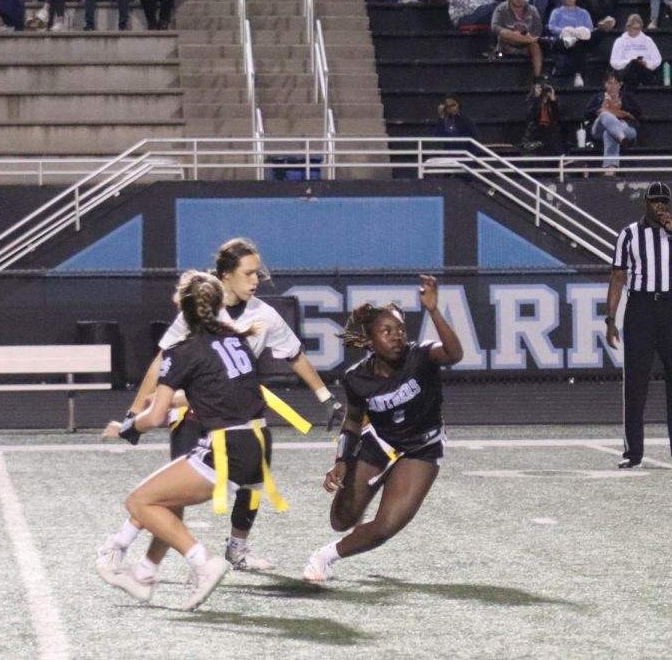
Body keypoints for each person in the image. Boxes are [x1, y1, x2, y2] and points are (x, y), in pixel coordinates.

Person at [97, 238, 334, 583]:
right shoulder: (202, 315)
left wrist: (326, 397)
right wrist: (136, 412)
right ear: (225, 275)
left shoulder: (262, 316)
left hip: (231, 411)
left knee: (242, 485)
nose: (256, 280)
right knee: (169, 494)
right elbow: (164, 362)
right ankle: (144, 561)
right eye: (249, 273)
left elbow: (293, 356)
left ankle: (219, 553)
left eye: (258, 273)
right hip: (196, 412)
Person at [97, 271, 277, 611]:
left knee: (139, 502)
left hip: (228, 445)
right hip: (259, 441)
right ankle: (143, 573)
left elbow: (153, 419)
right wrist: (174, 401)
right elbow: (217, 393)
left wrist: (126, 427)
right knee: (162, 498)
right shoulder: (234, 340)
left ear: (181, 307)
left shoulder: (181, 352)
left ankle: (202, 560)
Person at [303, 276, 464, 583]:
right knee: (341, 519)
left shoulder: (421, 356)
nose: (396, 337)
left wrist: (433, 311)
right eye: (386, 331)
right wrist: (341, 461)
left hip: (420, 449)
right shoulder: (357, 378)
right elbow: (352, 421)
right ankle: (359, 517)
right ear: (370, 339)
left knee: (387, 525)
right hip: (379, 445)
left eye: (400, 329)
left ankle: (324, 557)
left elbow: (455, 354)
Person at [605, 181, 672, 468]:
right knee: (635, 382)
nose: (660, 206)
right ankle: (633, 453)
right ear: (645, 204)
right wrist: (610, 319)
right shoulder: (629, 235)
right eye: (655, 201)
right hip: (640, 308)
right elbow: (617, 278)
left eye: (664, 201)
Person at [548, 0, 614, 84]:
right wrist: (567, 30)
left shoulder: (583, 12)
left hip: (581, 38)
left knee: (597, 33)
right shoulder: (557, 12)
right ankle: (578, 74)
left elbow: (589, 28)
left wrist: (578, 32)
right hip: (564, 40)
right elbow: (552, 27)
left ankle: (578, 74)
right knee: (575, 44)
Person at [583, 70, 642, 173]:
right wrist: (601, 107)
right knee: (605, 114)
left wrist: (622, 107)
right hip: (599, 128)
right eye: (609, 83)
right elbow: (586, 113)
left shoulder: (627, 96)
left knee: (609, 133)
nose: (613, 86)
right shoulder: (598, 97)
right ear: (605, 84)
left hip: (625, 127)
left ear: (620, 85)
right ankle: (621, 138)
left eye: (616, 83)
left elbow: (638, 112)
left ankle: (610, 168)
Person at [491, 0, 546, 77]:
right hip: (508, 43)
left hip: (526, 44)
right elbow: (495, 27)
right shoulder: (501, 8)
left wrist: (527, 36)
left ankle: (537, 77)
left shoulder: (532, 10)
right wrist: (514, 35)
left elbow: (538, 29)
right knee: (505, 34)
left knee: (535, 45)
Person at [609, 13, 662, 90]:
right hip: (625, 72)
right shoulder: (620, 41)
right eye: (635, 28)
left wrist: (646, 63)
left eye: (639, 28)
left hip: (644, 71)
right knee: (633, 64)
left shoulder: (648, 41)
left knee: (636, 66)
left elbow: (657, 59)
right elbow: (614, 62)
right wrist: (629, 62)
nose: (637, 31)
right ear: (628, 27)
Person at [522, 77, 562, 154]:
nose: (543, 89)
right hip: (536, 132)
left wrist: (552, 100)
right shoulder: (531, 100)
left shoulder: (554, 100)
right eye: (540, 87)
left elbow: (558, 118)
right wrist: (537, 98)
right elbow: (530, 117)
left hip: (551, 132)